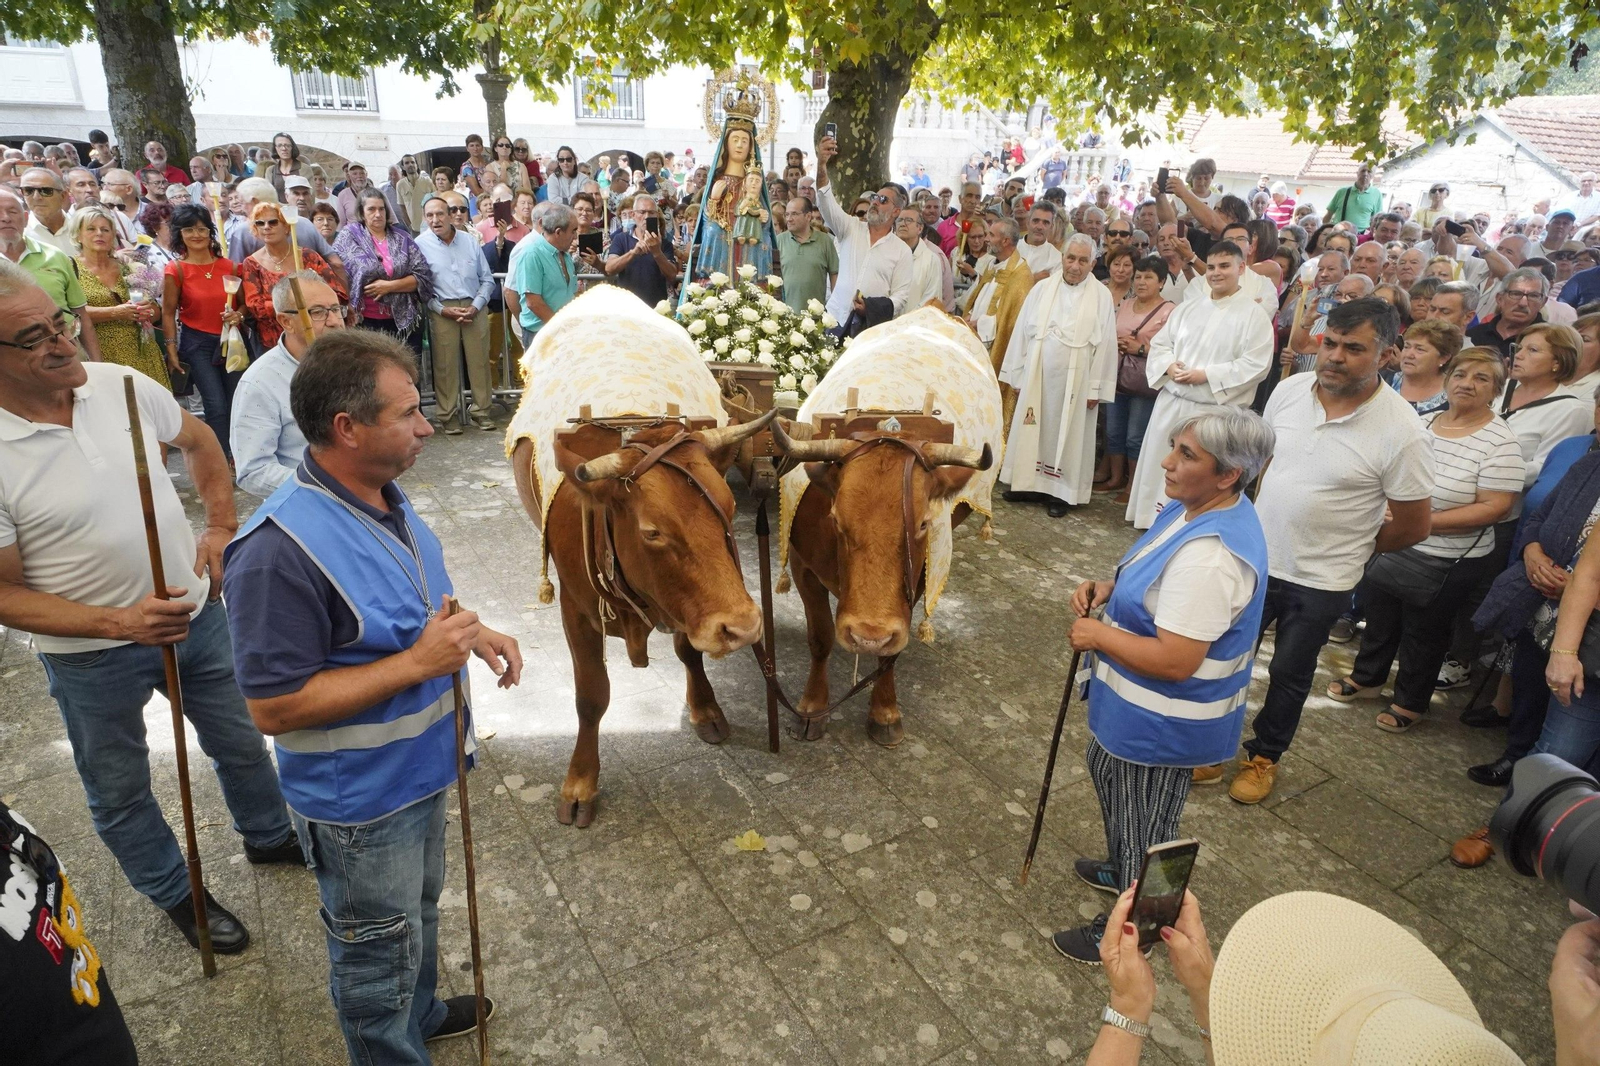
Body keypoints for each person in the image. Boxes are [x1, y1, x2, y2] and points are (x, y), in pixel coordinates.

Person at [222, 329, 522, 1063]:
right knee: (373, 954)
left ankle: (416, 1014)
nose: (427, 427)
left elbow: (406, 604)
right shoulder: (275, 552)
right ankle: (388, 1048)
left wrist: (468, 628)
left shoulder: (383, 495)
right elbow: (274, 708)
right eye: (408, 413)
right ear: (347, 429)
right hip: (360, 803)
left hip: (420, 772)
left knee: (414, 918)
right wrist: (421, 663)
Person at [0, 257, 301, 957]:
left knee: (241, 739)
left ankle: (269, 835)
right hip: (91, 656)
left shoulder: (121, 386)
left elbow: (199, 443)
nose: (62, 342)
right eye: (32, 337)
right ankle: (178, 894)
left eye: (61, 322)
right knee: (120, 788)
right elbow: (5, 592)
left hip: (197, 618)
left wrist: (222, 527)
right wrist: (118, 622)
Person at [1051, 408, 1273, 961]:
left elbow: (1176, 660)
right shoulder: (1197, 508)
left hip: (1162, 722)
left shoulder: (1210, 557)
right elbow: (1157, 582)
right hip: (1136, 712)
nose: (1167, 461)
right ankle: (1124, 864)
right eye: (1174, 445)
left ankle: (1140, 930)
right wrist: (1110, 586)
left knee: (1149, 823)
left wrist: (1096, 637)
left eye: (1187, 455)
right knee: (1115, 784)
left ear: (1229, 474)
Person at [1202, 298, 1434, 801]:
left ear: (1387, 355)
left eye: (1354, 349)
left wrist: (1352, 549)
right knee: (1223, 657)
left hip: (1323, 580)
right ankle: (1209, 747)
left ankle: (1263, 756)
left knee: (1288, 671)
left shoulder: (1404, 432)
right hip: (1255, 559)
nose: (1334, 356)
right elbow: (1259, 468)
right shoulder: (1287, 392)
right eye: (1330, 343)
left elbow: (1414, 525)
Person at [1326, 347, 1523, 731]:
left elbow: (1495, 507)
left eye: (1481, 378)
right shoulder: (1425, 422)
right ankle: (1367, 679)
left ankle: (1411, 702)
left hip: (1450, 558)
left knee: (1424, 633)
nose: (1467, 383)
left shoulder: (1502, 443)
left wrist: (1423, 521)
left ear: (1497, 390)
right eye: (1461, 374)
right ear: (1447, 379)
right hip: (1397, 541)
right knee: (1380, 615)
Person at [1125, 241, 1275, 529]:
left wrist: (1206, 375)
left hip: (1212, 411)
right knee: (1163, 465)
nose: (1216, 273)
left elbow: (1256, 364)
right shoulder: (1188, 308)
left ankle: (1190, 524)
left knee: (1198, 472)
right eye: (1213, 266)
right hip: (1173, 402)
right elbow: (1161, 344)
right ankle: (1151, 521)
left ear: (1241, 268)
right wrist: (1169, 365)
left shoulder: (1254, 316)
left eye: (1225, 266)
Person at [998, 235, 1118, 517]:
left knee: (1069, 435)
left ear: (1093, 263)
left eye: (1083, 260)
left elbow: (1106, 346)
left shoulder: (1101, 296)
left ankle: (1061, 492)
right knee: (1033, 428)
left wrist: (1095, 388)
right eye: (1070, 258)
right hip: (1038, 374)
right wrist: (1017, 375)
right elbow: (1021, 334)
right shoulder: (1042, 289)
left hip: (1076, 381)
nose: (1075, 266)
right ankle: (1028, 483)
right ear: (1062, 258)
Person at [232, 272, 343, 497]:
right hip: (309, 507)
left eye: (336, 309)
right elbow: (253, 470)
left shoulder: (354, 362)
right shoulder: (260, 382)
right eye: (318, 312)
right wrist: (327, 489)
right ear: (286, 322)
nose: (334, 321)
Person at [161, 204, 244, 458]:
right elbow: (167, 312)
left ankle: (241, 453)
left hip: (232, 342)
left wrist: (238, 315)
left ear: (210, 231)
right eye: (189, 230)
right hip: (197, 343)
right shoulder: (175, 270)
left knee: (237, 401)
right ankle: (222, 456)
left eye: (201, 229)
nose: (196, 235)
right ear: (180, 234)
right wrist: (172, 349)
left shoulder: (229, 267)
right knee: (215, 404)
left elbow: (244, 304)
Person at [416, 193, 497, 433]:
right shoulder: (420, 244)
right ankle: (447, 414)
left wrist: (476, 305)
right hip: (442, 309)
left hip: (474, 305)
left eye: (440, 214)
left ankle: (481, 411)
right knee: (444, 364)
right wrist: (442, 309)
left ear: (451, 215)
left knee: (480, 362)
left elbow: (487, 279)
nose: (435, 220)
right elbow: (423, 286)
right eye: (429, 215)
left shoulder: (470, 241)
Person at [812, 135, 913, 325]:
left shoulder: (902, 251)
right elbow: (825, 201)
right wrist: (821, 165)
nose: (875, 202)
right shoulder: (850, 227)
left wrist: (872, 308)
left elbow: (901, 296)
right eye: (875, 197)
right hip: (835, 320)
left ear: (896, 211)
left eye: (883, 200)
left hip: (870, 327)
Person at [70, 205, 171, 388]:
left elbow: (157, 310)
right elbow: (70, 313)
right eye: (91, 229)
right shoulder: (70, 268)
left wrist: (148, 312)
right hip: (100, 353)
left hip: (142, 352)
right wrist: (115, 312)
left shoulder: (129, 265)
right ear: (78, 235)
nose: (99, 234)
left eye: (105, 229)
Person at [1100, 257, 1175, 501]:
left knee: (1135, 436)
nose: (1142, 282)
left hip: (1144, 381)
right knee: (1113, 431)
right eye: (1139, 277)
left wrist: (1140, 349)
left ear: (1162, 282)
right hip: (1118, 373)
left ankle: (1132, 486)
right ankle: (1114, 478)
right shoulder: (1126, 303)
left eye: (1149, 277)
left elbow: (1172, 351)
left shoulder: (1169, 311)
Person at [333, 188, 433, 357]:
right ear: (362, 213)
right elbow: (338, 272)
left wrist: (390, 286)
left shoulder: (402, 237)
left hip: (404, 320)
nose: (378, 214)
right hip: (365, 321)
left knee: (407, 372)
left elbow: (423, 275)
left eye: (382, 209)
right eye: (371, 209)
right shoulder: (348, 237)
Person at [686, 105, 776, 285]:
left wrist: (763, 218)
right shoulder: (717, 179)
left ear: (751, 146)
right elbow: (706, 220)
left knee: (759, 236)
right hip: (722, 237)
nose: (740, 145)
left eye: (744, 140)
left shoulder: (753, 179)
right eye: (735, 139)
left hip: (747, 239)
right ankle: (715, 282)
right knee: (713, 230)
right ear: (726, 143)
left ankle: (748, 285)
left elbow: (766, 224)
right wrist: (713, 199)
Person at [239, 202, 347, 350]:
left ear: (286, 227)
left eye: (273, 222)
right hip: (274, 343)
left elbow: (337, 292)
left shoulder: (308, 256)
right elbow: (256, 307)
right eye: (260, 223)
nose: (266, 227)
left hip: (317, 338)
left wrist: (312, 303)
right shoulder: (251, 264)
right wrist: (295, 303)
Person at [963, 217, 1035, 369]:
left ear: (1005, 241)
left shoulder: (1021, 275)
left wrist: (979, 323)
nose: (986, 239)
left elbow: (1013, 320)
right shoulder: (992, 264)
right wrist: (970, 313)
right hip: (974, 339)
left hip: (992, 345)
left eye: (991, 235)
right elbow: (980, 296)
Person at [507, 202, 578, 343]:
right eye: (573, 231)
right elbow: (533, 302)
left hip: (563, 331)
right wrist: (560, 327)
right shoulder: (531, 253)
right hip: (541, 334)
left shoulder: (565, 254)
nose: (575, 237)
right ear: (558, 232)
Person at [604, 193, 679, 307]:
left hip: (655, 307)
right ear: (633, 215)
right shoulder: (621, 239)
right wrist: (633, 252)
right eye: (642, 212)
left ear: (657, 215)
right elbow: (609, 268)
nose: (646, 216)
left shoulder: (664, 244)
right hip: (626, 305)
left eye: (651, 212)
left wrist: (657, 252)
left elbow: (672, 275)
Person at [1468, 267, 1551, 362]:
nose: (1523, 303)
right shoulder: (1474, 335)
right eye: (1516, 294)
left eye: (1533, 296)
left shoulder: (1551, 341)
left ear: (1543, 302)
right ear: (1500, 299)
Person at [776, 195, 838, 314]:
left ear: (808, 216)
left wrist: (833, 308)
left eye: (794, 214)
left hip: (816, 318)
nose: (789, 219)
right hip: (785, 318)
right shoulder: (779, 241)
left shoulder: (825, 241)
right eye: (787, 214)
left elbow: (834, 274)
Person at [1323, 163, 1384, 232]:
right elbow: (1329, 214)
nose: (1365, 174)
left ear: (1373, 176)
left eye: (1369, 171)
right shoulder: (1342, 192)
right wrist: (1322, 230)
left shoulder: (1376, 194)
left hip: (1361, 236)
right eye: (1363, 171)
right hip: (1339, 233)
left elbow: (1377, 219)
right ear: (1357, 173)